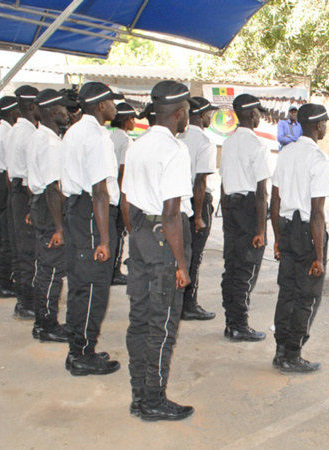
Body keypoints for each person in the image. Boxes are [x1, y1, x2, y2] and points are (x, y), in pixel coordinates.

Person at [122, 81, 195, 421]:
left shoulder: (137, 144)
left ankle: (139, 394)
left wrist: (136, 235)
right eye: (188, 112)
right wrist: (180, 263)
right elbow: (171, 214)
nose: (188, 118)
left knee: (139, 320)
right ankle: (154, 399)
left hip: (139, 235)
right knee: (161, 324)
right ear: (179, 113)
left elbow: (125, 200)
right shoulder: (175, 150)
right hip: (163, 240)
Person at [61, 81, 122, 376]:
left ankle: (78, 349)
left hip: (77, 209)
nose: (115, 107)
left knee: (79, 284)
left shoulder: (74, 131)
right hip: (92, 213)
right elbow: (100, 190)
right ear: (100, 105)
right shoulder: (96, 137)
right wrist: (104, 240)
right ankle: (83, 355)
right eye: (112, 101)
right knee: (93, 287)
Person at [270, 103, 329, 373]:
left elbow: (275, 201)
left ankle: (280, 350)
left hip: (286, 228)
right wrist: (319, 256)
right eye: (325, 123)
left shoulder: (286, 153)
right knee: (306, 296)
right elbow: (317, 213)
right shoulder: (319, 159)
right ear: (319, 126)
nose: (326, 127)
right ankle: (293, 354)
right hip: (308, 233)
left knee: (287, 292)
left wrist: (277, 236)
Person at [220, 94, 271, 341]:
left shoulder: (228, 143)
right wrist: (261, 230)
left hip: (230, 206)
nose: (260, 116)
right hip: (249, 209)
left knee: (231, 267)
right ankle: (239, 325)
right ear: (252, 115)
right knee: (246, 270)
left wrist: (226, 213)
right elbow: (261, 193)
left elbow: (223, 182)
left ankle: (231, 322)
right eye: (259, 113)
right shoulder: (257, 146)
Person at [27, 89, 73, 343]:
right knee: (52, 269)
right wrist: (59, 228)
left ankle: (43, 322)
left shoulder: (38, 137)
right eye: (65, 109)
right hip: (50, 207)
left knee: (46, 267)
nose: (68, 113)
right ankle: (46, 325)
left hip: (41, 205)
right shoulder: (50, 143)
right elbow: (53, 188)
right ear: (54, 112)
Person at [178, 96, 219, 321]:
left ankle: (178, 301)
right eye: (209, 113)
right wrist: (199, 216)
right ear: (202, 115)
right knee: (195, 256)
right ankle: (189, 303)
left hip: (179, 201)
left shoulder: (178, 137)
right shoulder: (204, 142)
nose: (211, 117)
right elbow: (201, 180)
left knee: (181, 253)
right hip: (198, 202)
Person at [5, 85, 40, 320]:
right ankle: (28, 302)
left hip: (14, 190)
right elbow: (30, 175)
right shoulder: (29, 134)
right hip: (25, 194)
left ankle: (22, 299)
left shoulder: (13, 130)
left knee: (19, 249)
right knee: (29, 250)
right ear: (32, 107)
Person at [0, 96, 20, 298]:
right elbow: (10, 166)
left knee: (1, 233)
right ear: (12, 113)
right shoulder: (8, 133)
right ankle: (4, 282)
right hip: (4, 181)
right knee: (8, 236)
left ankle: (1, 280)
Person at [110, 102, 137, 286]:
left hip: (108, 188)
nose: (134, 122)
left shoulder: (111, 137)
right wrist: (124, 197)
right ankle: (115, 270)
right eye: (133, 118)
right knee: (119, 232)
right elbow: (123, 170)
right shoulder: (126, 140)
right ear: (126, 120)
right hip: (119, 191)